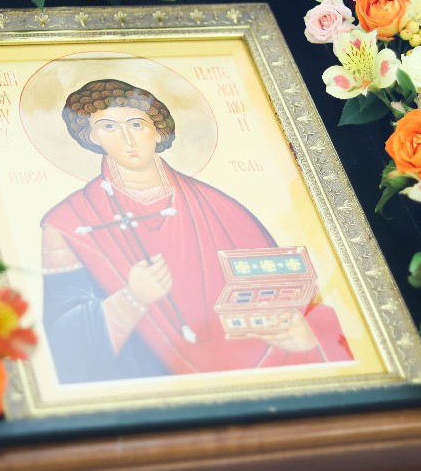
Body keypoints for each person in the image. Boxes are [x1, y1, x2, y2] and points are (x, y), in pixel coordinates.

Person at [41, 79, 351, 383]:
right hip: (154, 384)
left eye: (136, 124)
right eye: (108, 127)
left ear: (157, 131)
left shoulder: (221, 208)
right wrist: (132, 299)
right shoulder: (69, 222)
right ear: (92, 137)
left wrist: (304, 333)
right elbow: (65, 339)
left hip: (248, 375)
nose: (127, 139)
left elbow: (294, 295)